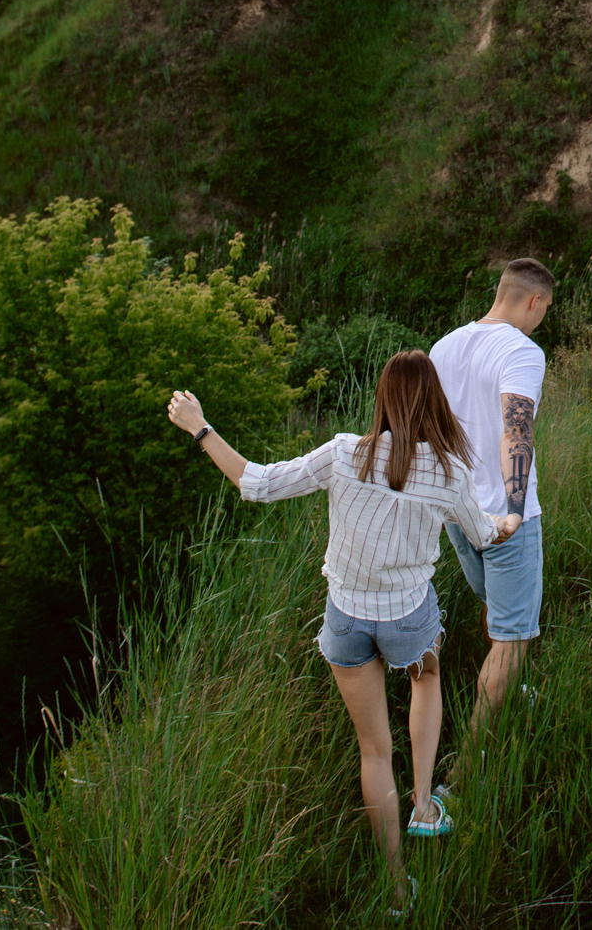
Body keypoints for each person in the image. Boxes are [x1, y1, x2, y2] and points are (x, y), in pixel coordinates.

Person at [168, 353, 516, 914]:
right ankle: (425, 805)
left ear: (382, 398)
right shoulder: (451, 472)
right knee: (427, 682)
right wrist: (505, 524)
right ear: (434, 402)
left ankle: (398, 891)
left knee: (373, 751)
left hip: (346, 620)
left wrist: (201, 428)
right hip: (408, 616)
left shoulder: (343, 454)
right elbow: (480, 535)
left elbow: (256, 482)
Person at [428, 257, 553, 753]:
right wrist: (515, 508)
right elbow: (515, 430)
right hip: (503, 518)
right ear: (534, 301)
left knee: (494, 610)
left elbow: (429, 434)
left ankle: (508, 691)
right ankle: (463, 773)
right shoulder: (523, 351)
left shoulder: (444, 346)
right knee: (514, 639)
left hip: (458, 513)